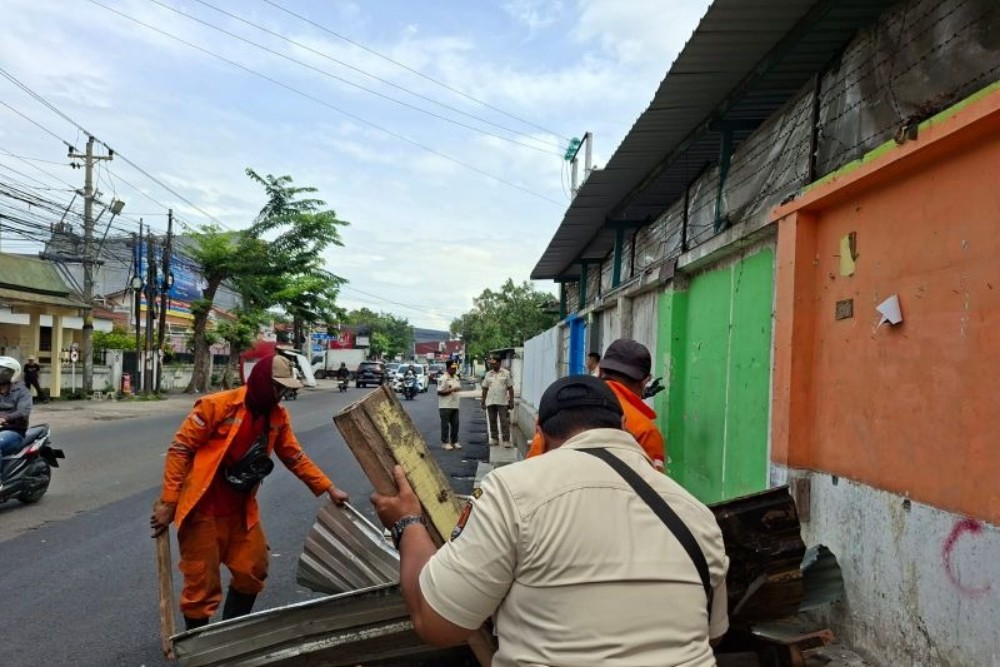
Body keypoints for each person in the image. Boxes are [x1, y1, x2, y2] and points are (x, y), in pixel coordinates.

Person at [371, 375, 729, 666]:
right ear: (623, 425)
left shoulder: (513, 491)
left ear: (540, 430)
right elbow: (711, 633)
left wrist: (406, 523)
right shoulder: (694, 511)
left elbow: (436, 624)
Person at [149, 355, 349, 630]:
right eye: (277, 387)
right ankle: (199, 645)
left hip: (241, 511)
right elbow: (180, 449)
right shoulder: (217, 406)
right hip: (203, 511)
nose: (281, 394)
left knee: (253, 569)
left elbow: (293, 456)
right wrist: (169, 502)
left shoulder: (277, 416)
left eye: (284, 389)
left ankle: (230, 634)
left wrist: (329, 487)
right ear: (262, 383)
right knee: (201, 585)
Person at [527, 338, 667, 471]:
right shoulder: (646, 430)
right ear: (644, 381)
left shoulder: (564, 406)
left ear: (600, 371)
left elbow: (531, 467)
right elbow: (654, 488)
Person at [0, 357, 32, 486]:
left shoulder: (22, 391)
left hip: (14, 432)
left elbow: (23, 412)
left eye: (2, 371)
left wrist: (4, 418)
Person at [480, 356, 514, 448]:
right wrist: (483, 401)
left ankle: (506, 440)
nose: (492, 365)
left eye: (494, 363)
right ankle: (494, 438)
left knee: (504, 421)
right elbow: (485, 388)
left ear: (499, 363)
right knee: (492, 420)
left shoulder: (506, 373)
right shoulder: (488, 374)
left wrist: (511, 401)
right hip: (491, 401)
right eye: (491, 363)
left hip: (502, 401)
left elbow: (510, 388)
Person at [436, 361, 462, 451]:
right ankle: (445, 442)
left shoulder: (456, 377)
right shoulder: (443, 378)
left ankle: (454, 441)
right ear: (448, 368)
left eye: (455, 368)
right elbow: (439, 392)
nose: (454, 369)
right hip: (445, 405)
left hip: (455, 405)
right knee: (445, 425)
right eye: (453, 368)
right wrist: (452, 390)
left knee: (455, 424)